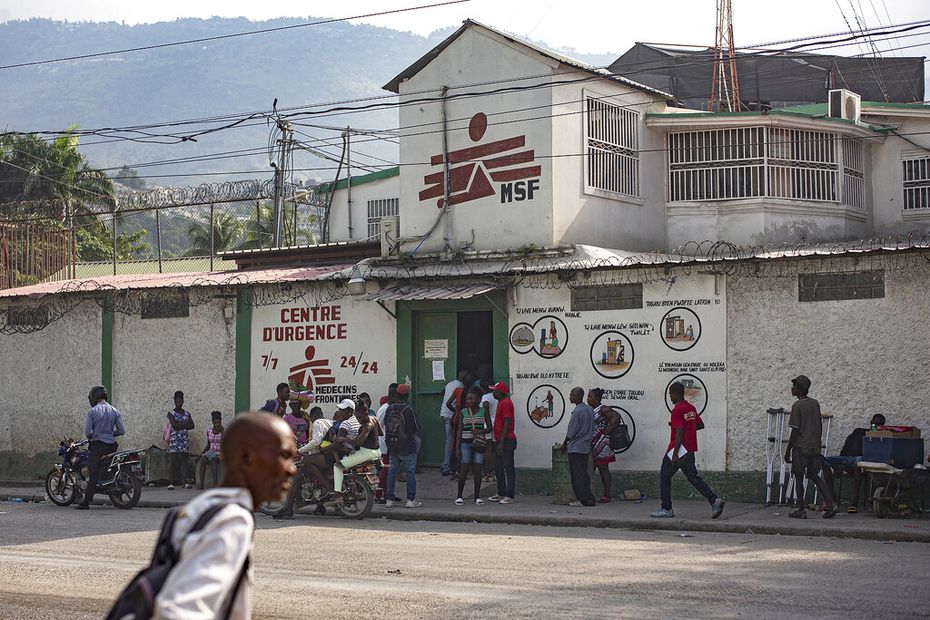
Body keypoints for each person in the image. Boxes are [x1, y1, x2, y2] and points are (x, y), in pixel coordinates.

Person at [151, 412, 297, 618]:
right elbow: (177, 611)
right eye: (284, 455)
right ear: (246, 457)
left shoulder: (203, 506)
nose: (292, 469)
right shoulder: (231, 519)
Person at [652, 382, 725, 519]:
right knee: (693, 477)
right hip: (689, 449)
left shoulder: (677, 409)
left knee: (664, 476)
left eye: (670, 394)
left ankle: (666, 508)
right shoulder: (690, 408)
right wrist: (687, 429)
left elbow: (679, 432)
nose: (670, 397)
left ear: (675, 393)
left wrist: (674, 454)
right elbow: (700, 425)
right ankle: (714, 500)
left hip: (678, 448)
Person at [784, 375, 838, 519]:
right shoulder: (815, 403)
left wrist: (788, 449)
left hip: (801, 446)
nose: (792, 389)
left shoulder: (797, 406)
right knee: (815, 476)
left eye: (794, 386)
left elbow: (795, 430)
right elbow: (819, 425)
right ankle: (831, 503)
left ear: (800, 389)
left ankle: (801, 509)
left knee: (799, 477)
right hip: (814, 446)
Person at [823, 414, 886, 514]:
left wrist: (876, 435)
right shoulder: (859, 431)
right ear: (870, 422)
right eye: (874, 423)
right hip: (848, 459)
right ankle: (831, 499)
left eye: (878, 424)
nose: (875, 426)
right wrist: (839, 463)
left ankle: (853, 503)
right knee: (825, 461)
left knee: (858, 463)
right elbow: (847, 445)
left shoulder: (881, 438)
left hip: (861, 463)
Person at [75, 385, 125, 510]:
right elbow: (121, 431)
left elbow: (88, 432)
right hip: (111, 446)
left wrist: (95, 435)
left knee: (93, 473)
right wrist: (109, 433)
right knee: (110, 467)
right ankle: (118, 494)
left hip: (97, 447)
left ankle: (86, 502)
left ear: (94, 397)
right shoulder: (115, 411)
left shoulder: (92, 412)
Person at [331, 398, 381, 503]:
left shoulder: (367, 425)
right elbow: (381, 432)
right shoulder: (374, 418)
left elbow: (358, 442)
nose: (359, 420)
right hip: (377, 452)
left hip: (366, 453)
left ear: (366, 412)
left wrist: (343, 439)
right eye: (357, 417)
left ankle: (337, 494)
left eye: (361, 417)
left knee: (338, 466)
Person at [383, 384, 422, 508]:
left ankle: (389, 499)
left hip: (393, 445)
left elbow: (385, 423)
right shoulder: (409, 410)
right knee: (410, 472)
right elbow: (416, 427)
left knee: (392, 472)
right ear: (407, 396)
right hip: (407, 445)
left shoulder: (390, 408)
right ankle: (410, 500)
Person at [454, 387, 492, 506]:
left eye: (471, 399)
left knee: (477, 470)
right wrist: (457, 447)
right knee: (464, 470)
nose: (469, 401)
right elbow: (459, 430)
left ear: (478, 399)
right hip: (465, 443)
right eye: (467, 399)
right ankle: (459, 496)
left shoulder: (483, 411)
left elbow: (490, 428)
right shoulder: (463, 412)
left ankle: (477, 497)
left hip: (478, 444)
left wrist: (481, 431)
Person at [561, 387, 597, 507]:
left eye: (571, 395)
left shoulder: (577, 412)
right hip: (585, 447)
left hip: (575, 447)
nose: (570, 397)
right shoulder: (590, 410)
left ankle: (582, 499)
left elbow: (571, 431)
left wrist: (564, 443)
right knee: (584, 474)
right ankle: (588, 497)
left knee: (577, 475)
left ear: (577, 396)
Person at [588, 388, 620, 503]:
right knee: (589, 468)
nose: (588, 399)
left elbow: (616, 417)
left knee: (603, 468)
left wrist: (607, 430)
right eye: (588, 396)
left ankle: (607, 495)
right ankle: (588, 493)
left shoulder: (603, 409)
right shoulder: (589, 409)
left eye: (590, 397)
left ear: (597, 399)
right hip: (592, 442)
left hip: (602, 442)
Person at [487, 382, 516, 504]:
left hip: (506, 440)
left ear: (500, 392)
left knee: (508, 467)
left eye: (494, 391)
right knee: (498, 467)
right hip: (499, 439)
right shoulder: (501, 403)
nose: (493, 393)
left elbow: (507, 422)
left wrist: (501, 442)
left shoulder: (506, 403)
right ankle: (501, 492)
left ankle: (509, 495)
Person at [166, 390, 195, 490]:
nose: (178, 403)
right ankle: (171, 483)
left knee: (184, 461)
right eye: (176, 401)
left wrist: (179, 425)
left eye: (180, 401)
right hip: (175, 440)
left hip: (184, 440)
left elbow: (192, 425)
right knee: (173, 461)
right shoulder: (170, 413)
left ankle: (185, 482)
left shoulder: (187, 413)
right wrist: (184, 425)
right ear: (174, 401)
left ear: (183, 401)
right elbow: (174, 425)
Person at [440, 371, 466, 477]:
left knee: (450, 441)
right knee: (451, 442)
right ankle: (446, 466)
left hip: (443, 413)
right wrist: (457, 411)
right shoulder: (461, 386)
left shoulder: (449, 384)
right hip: (451, 416)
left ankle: (448, 465)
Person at [375, 384, 398, 502]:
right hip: (385, 443)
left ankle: (388, 492)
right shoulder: (385, 409)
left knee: (391, 470)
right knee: (385, 470)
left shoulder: (390, 407)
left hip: (391, 443)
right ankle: (379, 493)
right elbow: (381, 426)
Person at [196, 411, 224, 490]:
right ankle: (201, 484)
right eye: (215, 422)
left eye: (218, 422)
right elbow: (208, 445)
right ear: (212, 422)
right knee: (203, 460)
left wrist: (222, 432)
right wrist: (201, 454)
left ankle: (215, 483)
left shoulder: (223, 431)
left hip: (219, 452)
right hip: (211, 451)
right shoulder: (209, 431)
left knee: (213, 459)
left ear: (221, 421)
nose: (217, 424)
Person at [479, 382, 498, 483]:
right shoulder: (497, 396)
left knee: (488, 449)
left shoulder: (485, 397)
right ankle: (494, 472)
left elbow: (485, 405)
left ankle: (488, 473)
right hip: (497, 423)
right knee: (495, 449)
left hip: (488, 423)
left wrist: (487, 418)